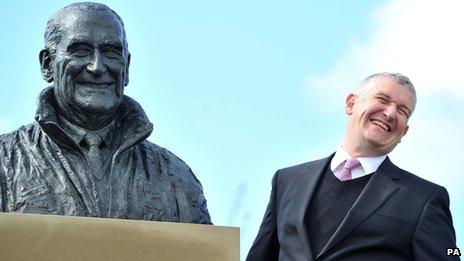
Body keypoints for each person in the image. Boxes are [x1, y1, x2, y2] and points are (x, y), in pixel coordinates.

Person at [0, 2, 211, 224]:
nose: (97, 67)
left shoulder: (175, 177)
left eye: (111, 52)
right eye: (80, 51)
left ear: (126, 67)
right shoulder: (5, 162)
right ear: (47, 64)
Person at [247, 73, 458, 260]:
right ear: (350, 103)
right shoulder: (287, 181)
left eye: (403, 111)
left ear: (404, 132)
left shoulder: (425, 199)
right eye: (383, 99)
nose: (391, 113)